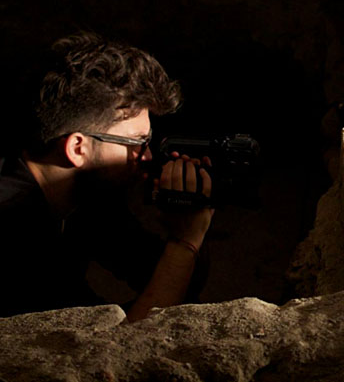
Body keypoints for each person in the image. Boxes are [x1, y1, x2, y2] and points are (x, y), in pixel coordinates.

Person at [0, 32, 213, 321]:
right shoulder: (12, 231)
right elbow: (111, 348)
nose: (147, 156)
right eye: (135, 143)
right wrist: (184, 243)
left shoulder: (83, 197)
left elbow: (170, 280)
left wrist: (183, 216)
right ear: (78, 147)